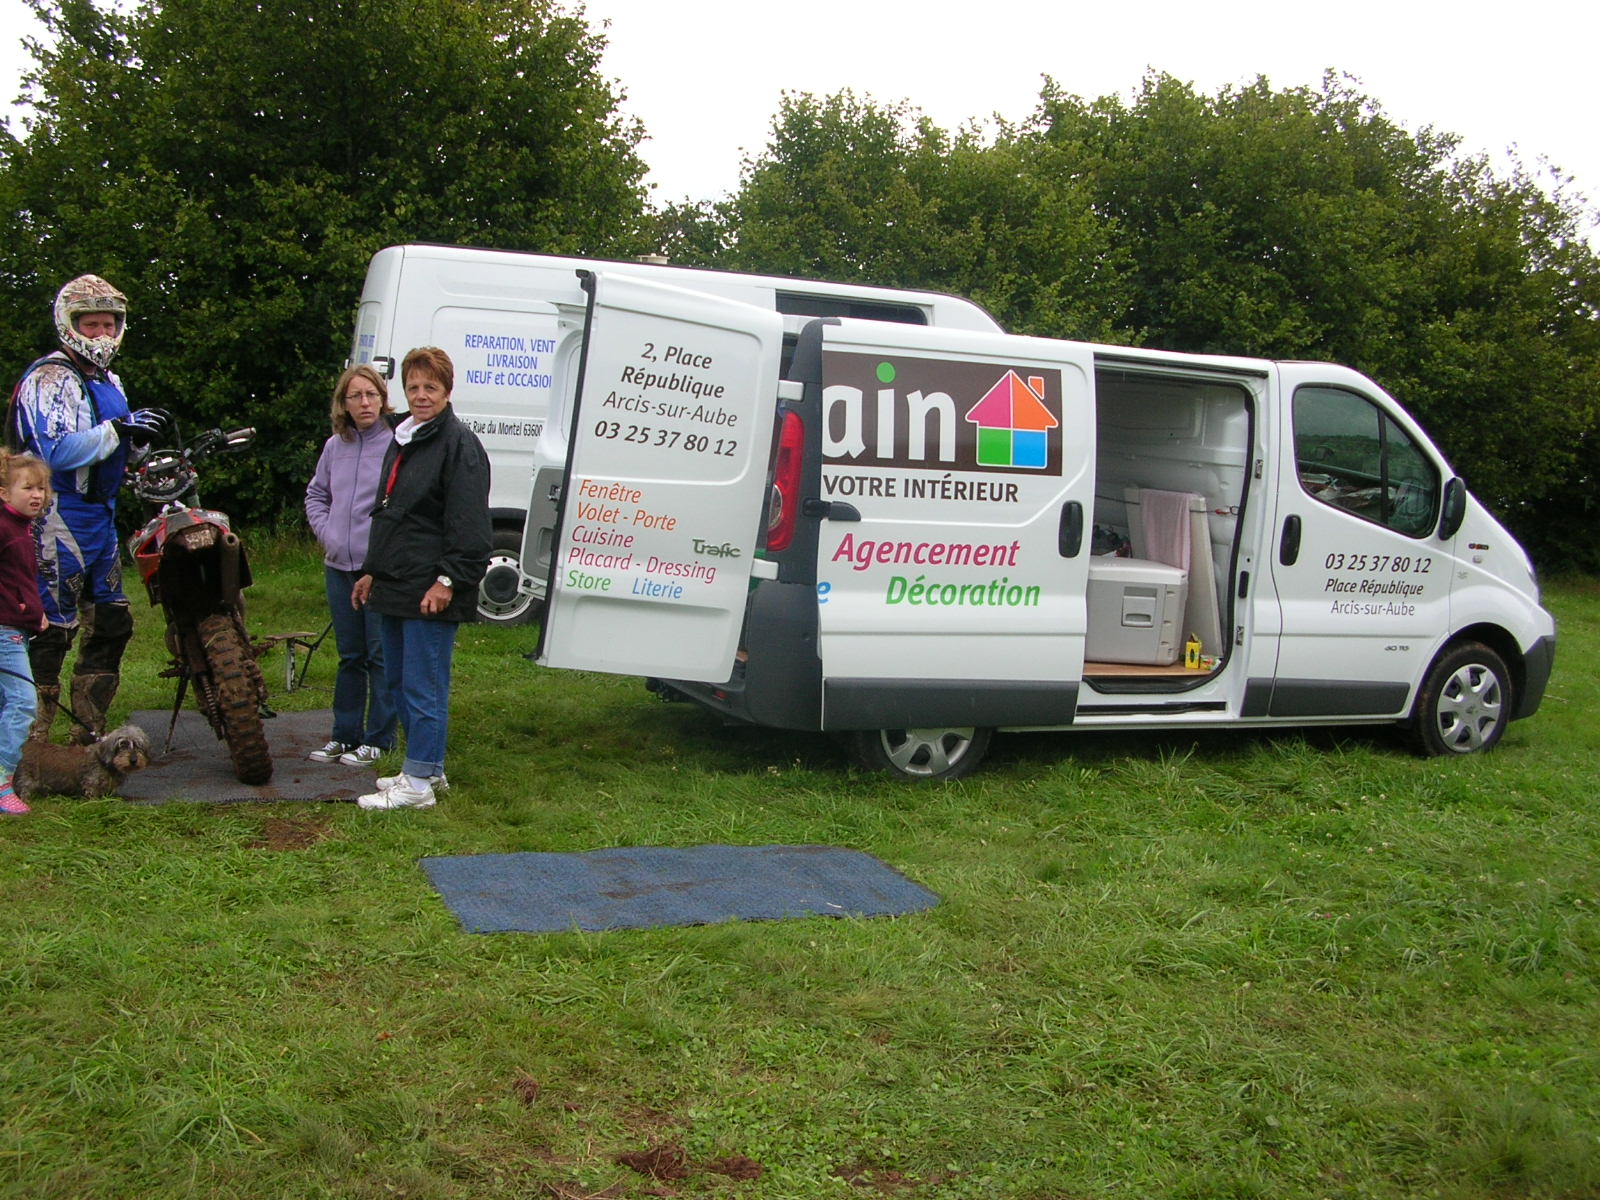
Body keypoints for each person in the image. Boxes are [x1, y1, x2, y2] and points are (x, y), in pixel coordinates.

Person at [8, 275, 168, 745]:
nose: (101, 333)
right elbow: (55, 451)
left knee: (112, 621)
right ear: (70, 324)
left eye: (109, 324)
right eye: (91, 324)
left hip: (101, 514)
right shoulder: (50, 377)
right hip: (57, 513)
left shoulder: (109, 379)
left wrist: (138, 443)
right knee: (50, 628)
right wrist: (118, 430)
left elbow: (116, 446)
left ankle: (88, 729)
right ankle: (30, 740)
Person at [351, 347, 490, 810]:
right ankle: (428, 767)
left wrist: (448, 581)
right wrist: (372, 570)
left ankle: (417, 785)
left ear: (447, 391)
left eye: (431, 387)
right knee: (397, 681)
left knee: (422, 686)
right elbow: (391, 513)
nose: (421, 395)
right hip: (396, 580)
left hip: (430, 585)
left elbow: (469, 524)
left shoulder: (459, 444)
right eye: (413, 387)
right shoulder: (405, 437)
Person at [304, 365, 399, 767]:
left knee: (380, 655)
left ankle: (379, 739)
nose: (364, 403)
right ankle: (344, 735)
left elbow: (400, 506)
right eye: (355, 396)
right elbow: (316, 495)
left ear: (382, 399)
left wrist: (380, 553)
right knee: (350, 656)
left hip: (377, 568)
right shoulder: (334, 446)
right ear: (343, 403)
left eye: (371, 394)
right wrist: (328, 534)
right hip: (338, 566)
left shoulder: (396, 444)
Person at [0, 451, 51, 813]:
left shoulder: (20, 527)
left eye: (41, 488)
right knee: (22, 702)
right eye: (28, 488)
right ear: (4, 493)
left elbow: (16, 580)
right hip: (5, 632)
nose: (37, 495)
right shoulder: (5, 528)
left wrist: (35, 612)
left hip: (16, 626)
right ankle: (2, 780)